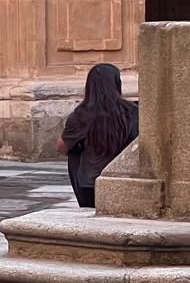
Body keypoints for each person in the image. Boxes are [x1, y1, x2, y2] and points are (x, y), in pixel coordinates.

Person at [57, 63, 139, 209]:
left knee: (74, 151)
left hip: (90, 184)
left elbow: (62, 148)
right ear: (116, 83)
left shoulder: (80, 115)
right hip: (126, 180)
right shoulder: (133, 112)